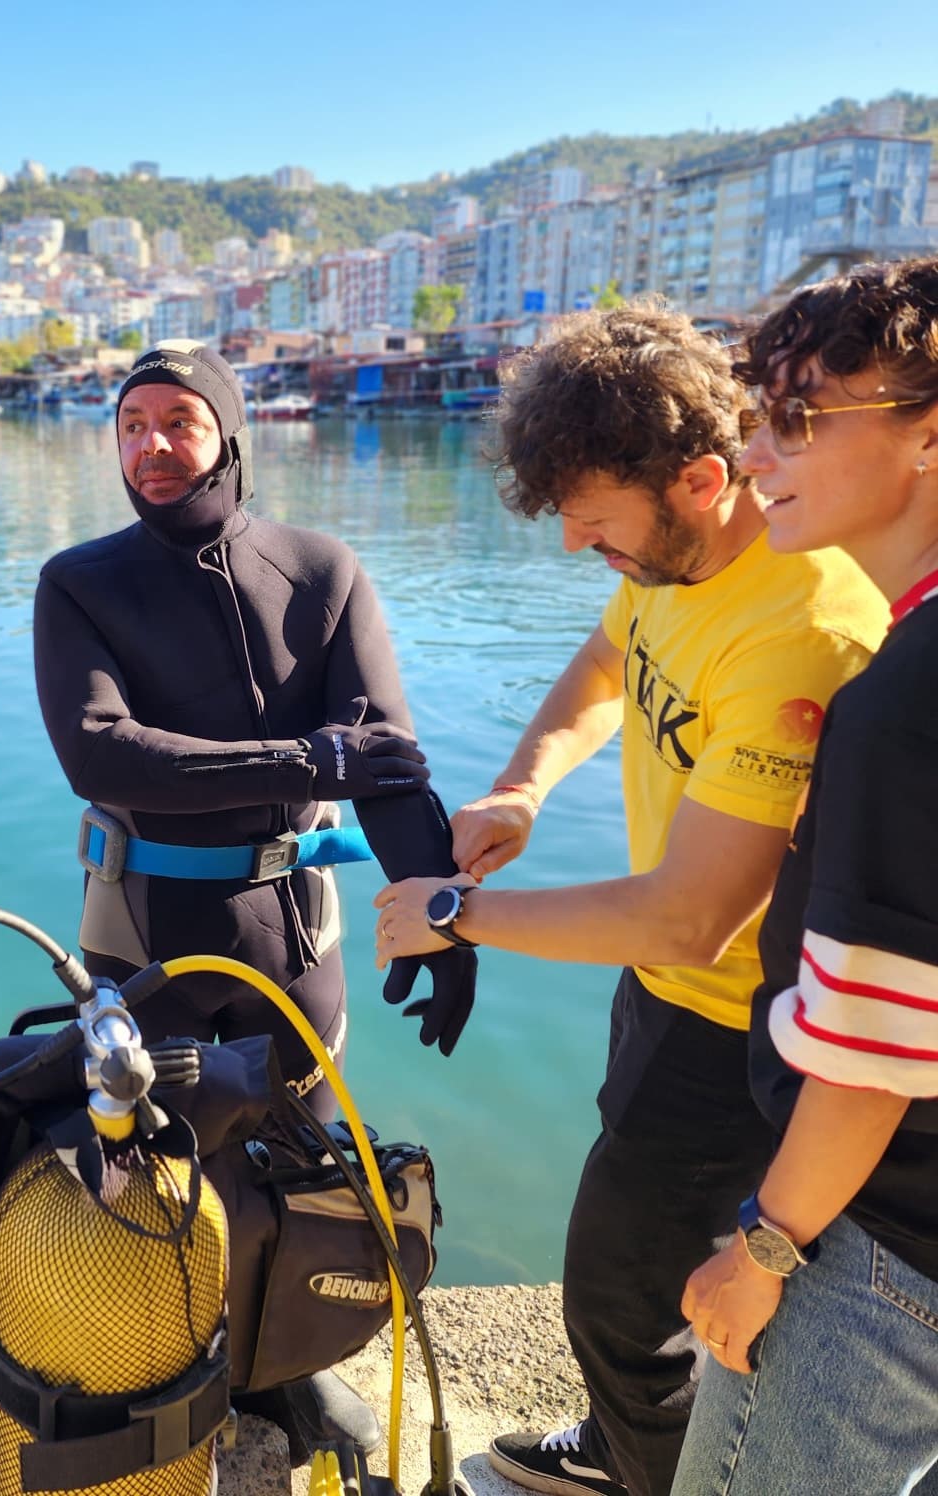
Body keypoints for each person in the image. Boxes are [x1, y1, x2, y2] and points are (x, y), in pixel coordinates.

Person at [372, 305, 887, 1496]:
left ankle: (639, 1469)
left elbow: (682, 918)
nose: (573, 547)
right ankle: (626, 1437)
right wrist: (519, 786)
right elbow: (607, 663)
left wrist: (451, 915)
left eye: (590, 522)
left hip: (733, 1012)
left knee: (611, 1287)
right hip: (658, 990)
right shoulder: (671, 557)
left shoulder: (798, 626)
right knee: (648, 1248)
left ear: (700, 479)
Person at [33, 339, 477, 1459]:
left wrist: (439, 913)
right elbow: (104, 756)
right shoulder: (79, 583)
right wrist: (304, 758)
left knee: (304, 1154)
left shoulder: (320, 571)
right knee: (143, 1157)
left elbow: (386, 760)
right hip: (143, 927)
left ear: (228, 430)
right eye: (130, 425)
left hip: (292, 927)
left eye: (175, 421)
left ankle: (287, 1370)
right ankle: (150, 1361)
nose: (149, 446)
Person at [673, 259, 938, 1495]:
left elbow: (875, 1051)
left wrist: (764, 1249)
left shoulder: (899, 702)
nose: (754, 453)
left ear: (925, 433)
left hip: (872, 1259)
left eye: (794, 417)